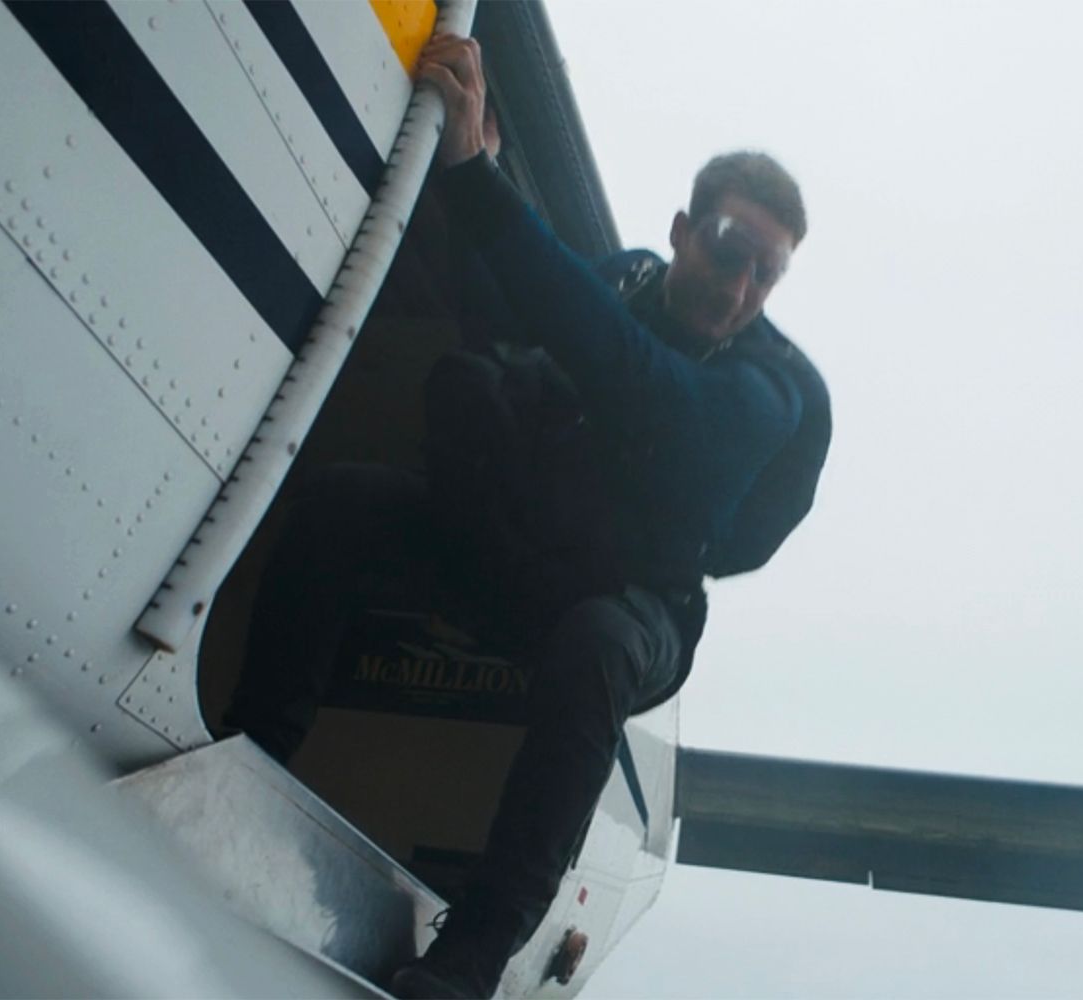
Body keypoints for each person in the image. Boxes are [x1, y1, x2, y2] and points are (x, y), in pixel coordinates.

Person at [227, 32, 831, 999]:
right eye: (730, 250)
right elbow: (507, 317)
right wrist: (473, 171)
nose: (742, 287)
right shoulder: (623, 279)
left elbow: (641, 390)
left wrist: (480, 184)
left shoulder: (769, 395)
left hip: (638, 610)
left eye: (768, 274)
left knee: (598, 644)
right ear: (682, 229)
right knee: (344, 506)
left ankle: (477, 951)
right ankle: (253, 763)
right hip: (521, 558)